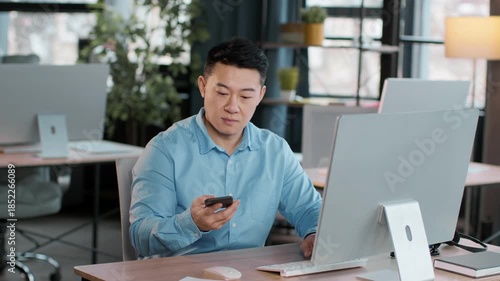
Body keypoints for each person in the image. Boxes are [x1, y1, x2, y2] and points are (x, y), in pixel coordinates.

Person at [129, 37, 322, 259]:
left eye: (246, 96)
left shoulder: (275, 151)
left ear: (260, 95)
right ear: (202, 86)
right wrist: (190, 224)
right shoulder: (164, 149)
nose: (232, 107)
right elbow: (140, 237)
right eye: (222, 93)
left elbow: (310, 209)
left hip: (249, 273)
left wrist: (314, 233)